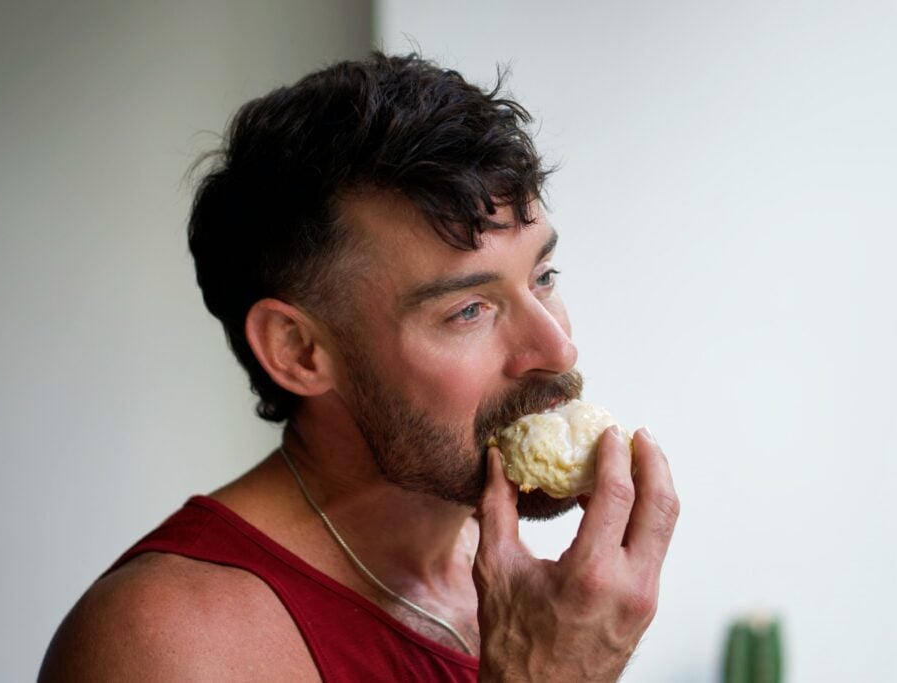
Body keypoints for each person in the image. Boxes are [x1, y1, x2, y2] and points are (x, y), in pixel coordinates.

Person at [39, 52, 679, 681]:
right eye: (468, 310)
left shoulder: (520, 578)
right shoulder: (167, 646)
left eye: (543, 276)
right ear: (298, 350)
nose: (558, 349)